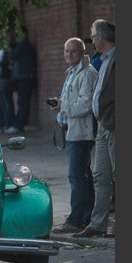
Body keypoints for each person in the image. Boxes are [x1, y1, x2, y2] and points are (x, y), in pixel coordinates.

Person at [50, 38, 98, 234]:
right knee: (83, 176)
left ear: (82, 52)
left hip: (81, 133)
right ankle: (85, 217)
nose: (68, 55)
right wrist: (59, 104)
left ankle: (76, 220)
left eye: (73, 52)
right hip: (72, 130)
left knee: (77, 176)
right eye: (66, 51)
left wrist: (63, 106)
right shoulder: (73, 72)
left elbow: (85, 106)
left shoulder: (86, 74)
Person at [74, 19, 115, 239]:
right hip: (102, 125)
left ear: (102, 37)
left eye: (93, 35)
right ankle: (98, 223)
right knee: (100, 175)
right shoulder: (103, 59)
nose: (92, 40)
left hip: (114, 124)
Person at [7, 26, 38, 134]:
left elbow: (12, 55)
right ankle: (20, 123)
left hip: (25, 78)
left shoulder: (24, 44)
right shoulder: (24, 45)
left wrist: (12, 44)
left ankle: (19, 124)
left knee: (23, 102)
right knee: (22, 101)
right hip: (25, 77)